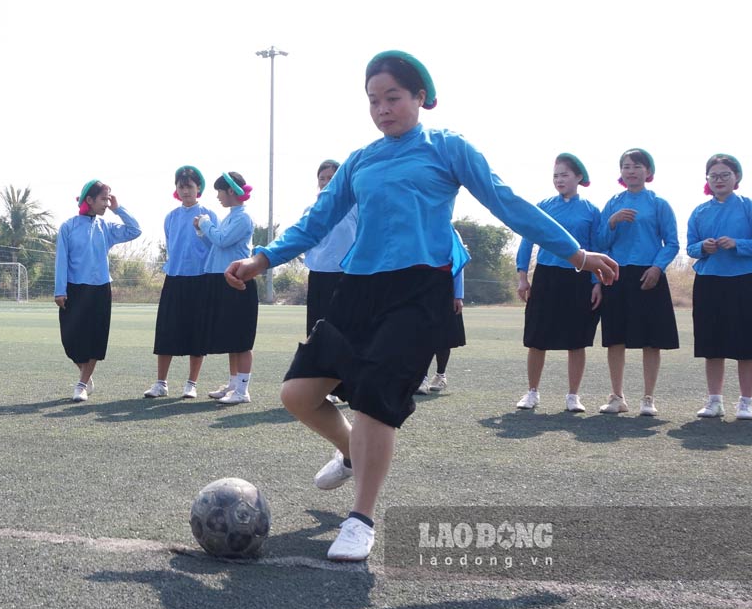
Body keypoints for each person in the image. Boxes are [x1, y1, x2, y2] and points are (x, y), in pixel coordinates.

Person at [224, 50, 618, 561]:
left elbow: (507, 202)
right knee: (297, 394)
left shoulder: (447, 147)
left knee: (373, 400)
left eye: (392, 97)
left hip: (418, 290)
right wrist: (263, 258)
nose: (382, 109)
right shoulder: (361, 160)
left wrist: (576, 254)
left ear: (419, 98)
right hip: (359, 289)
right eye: (373, 100)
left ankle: (361, 519)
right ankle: (349, 452)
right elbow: (317, 219)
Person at [685, 154, 752, 421]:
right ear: (707, 180)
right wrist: (703, 248)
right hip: (709, 282)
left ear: (737, 178)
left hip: (745, 281)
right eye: (714, 175)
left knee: (748, 343)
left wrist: (738, 244)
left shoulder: (751, 208)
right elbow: (690, 247)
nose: (719, 180)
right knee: (712, 343)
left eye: (725, 175)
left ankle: (745, 402)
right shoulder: (699, 211)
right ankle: (715, 401)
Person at [513, 153, 604, 413]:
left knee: (577, 340)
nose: (559, 180)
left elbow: (595, 247)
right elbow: (527, 239)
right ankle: (532, 392)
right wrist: (522, 276)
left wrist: (596, 282)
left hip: (578, 279)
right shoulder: (543, 206)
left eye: (565, 174)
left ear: (579, 177)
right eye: (555, 175)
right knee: (536, 338)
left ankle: (573, 396)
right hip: (546, 276)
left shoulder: (590, 211)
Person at [595, 149, 680, 417]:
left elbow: (672, 242)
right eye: (626, 166)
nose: (631, 171)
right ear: (620, 172)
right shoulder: (612, 203)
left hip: (649, 275)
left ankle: (648, 398)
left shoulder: (659, 204)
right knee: (615, 338)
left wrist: (657, 267)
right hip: (616, 274)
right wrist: (611, 222)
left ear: (648, 171)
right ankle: (617, 396)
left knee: (651, 340)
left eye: (637, 166)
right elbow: (599, 243)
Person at [54, 180, 141, 402]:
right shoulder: (68, 227)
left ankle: (82, 384)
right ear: (89, 200)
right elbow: (61, 260)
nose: (106, 203)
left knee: (95, 339)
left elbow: (135, 230)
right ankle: (86, 373)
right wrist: (59, 290)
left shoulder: (107, 228)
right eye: (103, 198)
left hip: (101, 289)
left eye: (107, 198)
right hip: (74, 290)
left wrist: (117, 209)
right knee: (70, 341)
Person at [144, 166, 217, 399]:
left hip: (201, 279)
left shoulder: (209, 215)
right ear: (176, 189)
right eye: (181, 186)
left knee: (198, 332)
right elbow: (171, 245)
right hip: (174, 278)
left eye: (190, 186)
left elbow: (214, 246)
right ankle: (160, 383)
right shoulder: (171, 217)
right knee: (166, 331)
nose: (185, 191)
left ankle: (191, 383)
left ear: (198, 189)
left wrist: (201, 231)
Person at [197, 172, 258, 405]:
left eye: (220, 192)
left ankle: (243, 390)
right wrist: (203, 230)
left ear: (231, 191)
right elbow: (216, 243)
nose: (218, 197)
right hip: (224, 280)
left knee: (241, 338)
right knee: (232, 337)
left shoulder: (243, 218)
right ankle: (233, 385)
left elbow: (221, 240)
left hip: (239, 281)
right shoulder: (231, 217)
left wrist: (205, 223)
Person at [303, 160, 358, 337]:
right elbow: (303, 240)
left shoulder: (355, 207)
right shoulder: (310, 210)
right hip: (319, 275)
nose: (326, 182)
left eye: (331, 177)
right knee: (316, 329)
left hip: (347, 276)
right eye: (322, 178)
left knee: (345, 329)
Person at [417, 230, 468, 395]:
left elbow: (459, 264)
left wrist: (458, 295)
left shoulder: (451, 232)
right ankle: (421, 378)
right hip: (420, 286)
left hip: (445, 287)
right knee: (421, 335)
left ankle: (440, 375)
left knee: (444, 336)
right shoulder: (419, 228)